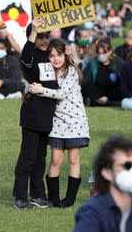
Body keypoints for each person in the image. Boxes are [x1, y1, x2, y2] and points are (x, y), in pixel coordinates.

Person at [27, 39, 89, 208]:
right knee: (55, 160)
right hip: (56, 123)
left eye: (59, 55)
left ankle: (69, 200)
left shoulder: (71, 71)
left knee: (74, 160)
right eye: (51, 56)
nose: (55, 59)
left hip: (75, 122)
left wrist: (42, 90)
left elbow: (61, 94)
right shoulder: (47, 72)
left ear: (65, 55)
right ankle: (53, 199)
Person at [13, 19, 58, 210]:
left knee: (41, 157)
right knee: (28, 156)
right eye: (41, 37)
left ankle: (38, 195)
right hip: (33, 113)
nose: (45, 40)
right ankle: (20, 196)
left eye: (47, 36)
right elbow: (25, 54)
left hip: (48, 114)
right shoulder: (29, 55)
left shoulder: (49, 56)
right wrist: (34, 31)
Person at [81, 41, 122, 106]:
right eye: (99, 53)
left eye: (104, 53)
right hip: (98, 94)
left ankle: (109, 102)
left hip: (113, 92)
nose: (101, 55)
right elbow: (86, 82)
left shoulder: (118, 62)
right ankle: (107, 102)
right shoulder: (93, 63)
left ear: (110, 51)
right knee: (89, 86)